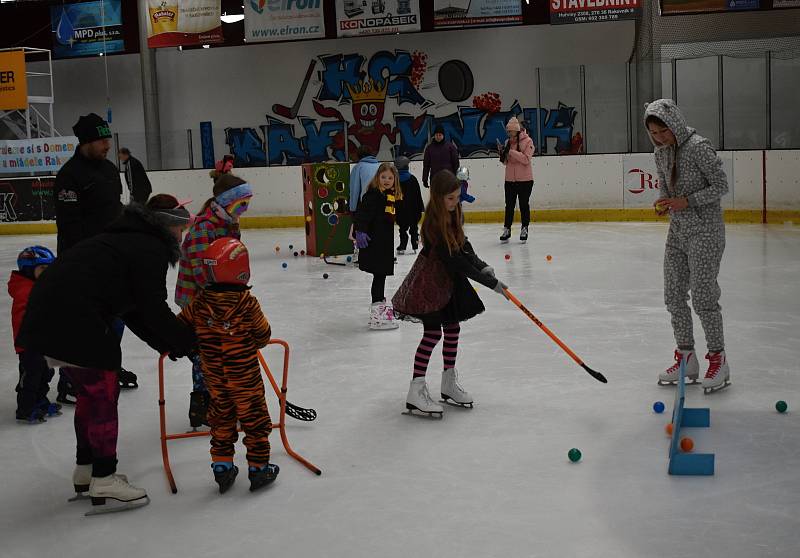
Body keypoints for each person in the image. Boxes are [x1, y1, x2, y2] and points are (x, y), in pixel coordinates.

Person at [16, 195, 197, 514]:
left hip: (50, 319)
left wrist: (171, 344)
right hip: (74, 320)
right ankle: (104, 477)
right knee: (102, 396)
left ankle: (87, 470)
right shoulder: (149, 248)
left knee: (90, 397)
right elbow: (153, 309)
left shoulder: (127, 240)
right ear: (166, 227)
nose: (181, 237)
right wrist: (189, 342)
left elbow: (133, 311)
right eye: (180, 229)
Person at [392, 170, 509, 417]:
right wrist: (491, 284)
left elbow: (464, 246)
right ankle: (416, 389)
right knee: (433, 333)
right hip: (431, 284)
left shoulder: (453, 213)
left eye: (457, 197)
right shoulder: (434, 224)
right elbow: (456, 261)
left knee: (453, 328)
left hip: (447, 283)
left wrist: (482, 266)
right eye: (451, 198)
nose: (456, 203)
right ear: (437, 198)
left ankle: (447, 382)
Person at [177, 237, 279, 493]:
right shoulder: (246, 303)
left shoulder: (200, 303)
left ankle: (222, 467)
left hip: (215, 381)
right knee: (255, 423)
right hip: (245, 380)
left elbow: (180, 326)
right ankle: (258, 469)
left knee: (221, 422)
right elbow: (263, 335)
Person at [645, 99, 730, 393]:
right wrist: (663, 201)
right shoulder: (661, 153)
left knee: (704, 297)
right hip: (678, 231)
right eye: (654, 134)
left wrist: (688, 201)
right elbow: (666, 188)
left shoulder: (698, 147)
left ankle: (718, 359)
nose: (659, 138)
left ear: (675, 124)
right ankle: (686, 357)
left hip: (705, 231)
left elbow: (721, 185)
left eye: (663, 132)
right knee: (673, 295)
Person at [176, 173, 254, 428]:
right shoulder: (204, 228)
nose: (243, 210)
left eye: (246, 204)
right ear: (224, 203)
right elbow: (202, 273)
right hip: (196, 300)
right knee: (204, 355)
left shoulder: (230, 223)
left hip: (219, 299)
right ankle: (201, 406)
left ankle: (223, 402)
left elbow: (231, 263)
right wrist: (226, 298)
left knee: (223, 353)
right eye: (239, 205)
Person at [9, 246, 60, 424]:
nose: (47, 273)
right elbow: (24, 319)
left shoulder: (39, 287)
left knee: (46, 373)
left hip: (43, 341)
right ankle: (25, 408)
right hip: (30, 343)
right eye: (42, 269)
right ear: (29, 269)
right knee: (31, 375)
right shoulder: (25, 291)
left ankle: (40, 401)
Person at [353, 162, 403, 330]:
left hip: (383, 243)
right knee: (379, 275)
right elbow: (362, 214)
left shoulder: (391, 195)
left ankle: (379, 305)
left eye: (390, 177)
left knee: (380, 276)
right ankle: (377, 312)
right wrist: (360, 231)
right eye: (383, 177)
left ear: (395, 179)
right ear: (377, 178)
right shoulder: (373, 194)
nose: (387, 180)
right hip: (374, 243)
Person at [497, 116, 535, 244]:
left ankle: (524, 228)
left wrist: (511, 152)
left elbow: (526, 159)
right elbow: (505, 162)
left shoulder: (528, 141)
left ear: (517, 131)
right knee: (509, 206)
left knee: (524, 204)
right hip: (509, 180)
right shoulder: (508, 142)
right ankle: (507, 229)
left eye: (511, 131)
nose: (509, 134)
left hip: (525, 180)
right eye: (508, 132)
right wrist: (502, 153)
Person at [394, 156, 424, 255]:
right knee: (414, 228)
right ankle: (415, 244)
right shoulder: (412, 179)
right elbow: (418, 195)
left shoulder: (394, 180)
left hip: (400, 210)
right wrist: (421, 208)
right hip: (413, 210)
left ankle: (403, 245)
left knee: (402, 228)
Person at [422, 124, 459, 189]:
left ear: (443, 136)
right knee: (436, 198)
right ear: (434, 136)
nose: (438, 137)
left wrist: (457, 177)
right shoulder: (429, 148)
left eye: (440, 135)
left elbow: (456, 163)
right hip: (435, 179)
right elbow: (426, 165)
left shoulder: (450, 147)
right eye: (436, 135)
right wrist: (425, 179)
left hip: (448, 179)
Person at [348, 145, 380, 213]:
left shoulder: (358, 167)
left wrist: (352, 209)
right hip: (380, 204)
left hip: (365, 205)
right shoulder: (380, 166)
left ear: (358, 155)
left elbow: (354, 189)